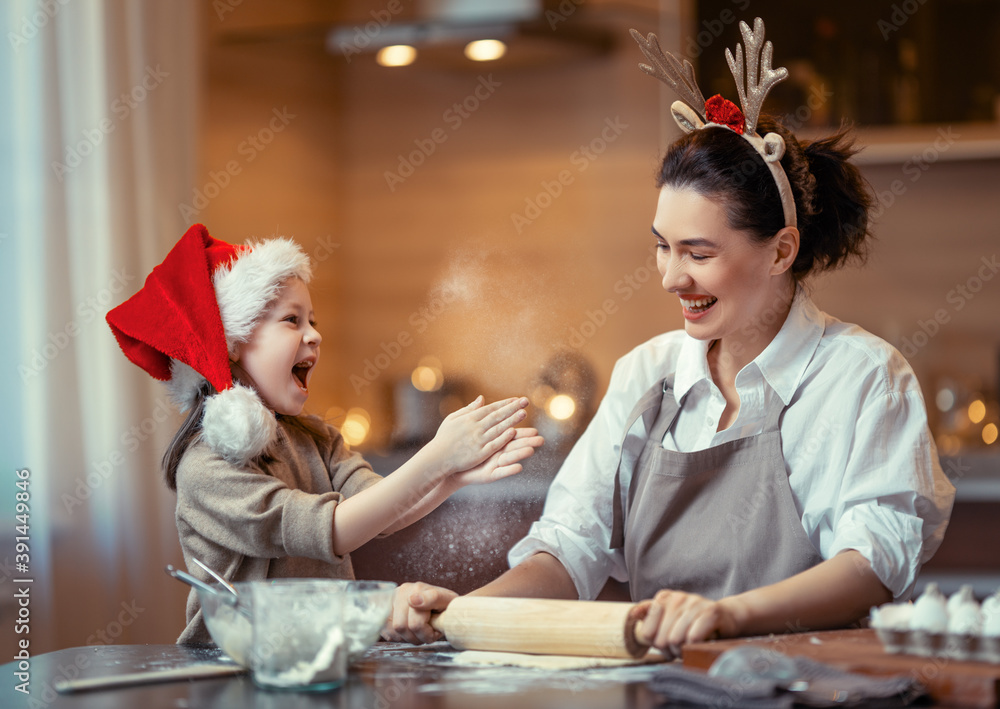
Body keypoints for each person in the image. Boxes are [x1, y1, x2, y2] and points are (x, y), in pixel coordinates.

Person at [383, 19, 955, 654]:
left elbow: (872, 563)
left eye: (698, 253)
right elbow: (570, 548)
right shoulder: (645, 375)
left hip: (813, 688)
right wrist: (465, 612)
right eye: (662, 247)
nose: (671, 277)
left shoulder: (864, 378)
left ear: (780, 251)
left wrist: (724, 618)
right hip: (665, 688)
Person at [106, 224, 544, 643]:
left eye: (311, 320)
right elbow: (332, 530)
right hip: (233, 668)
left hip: (319, 651)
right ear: (233, 341)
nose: (315, 335)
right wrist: (437, 458)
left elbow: (380, 514)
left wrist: (455, 475)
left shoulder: (316, 438)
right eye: (292, 320)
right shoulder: (205, 468)